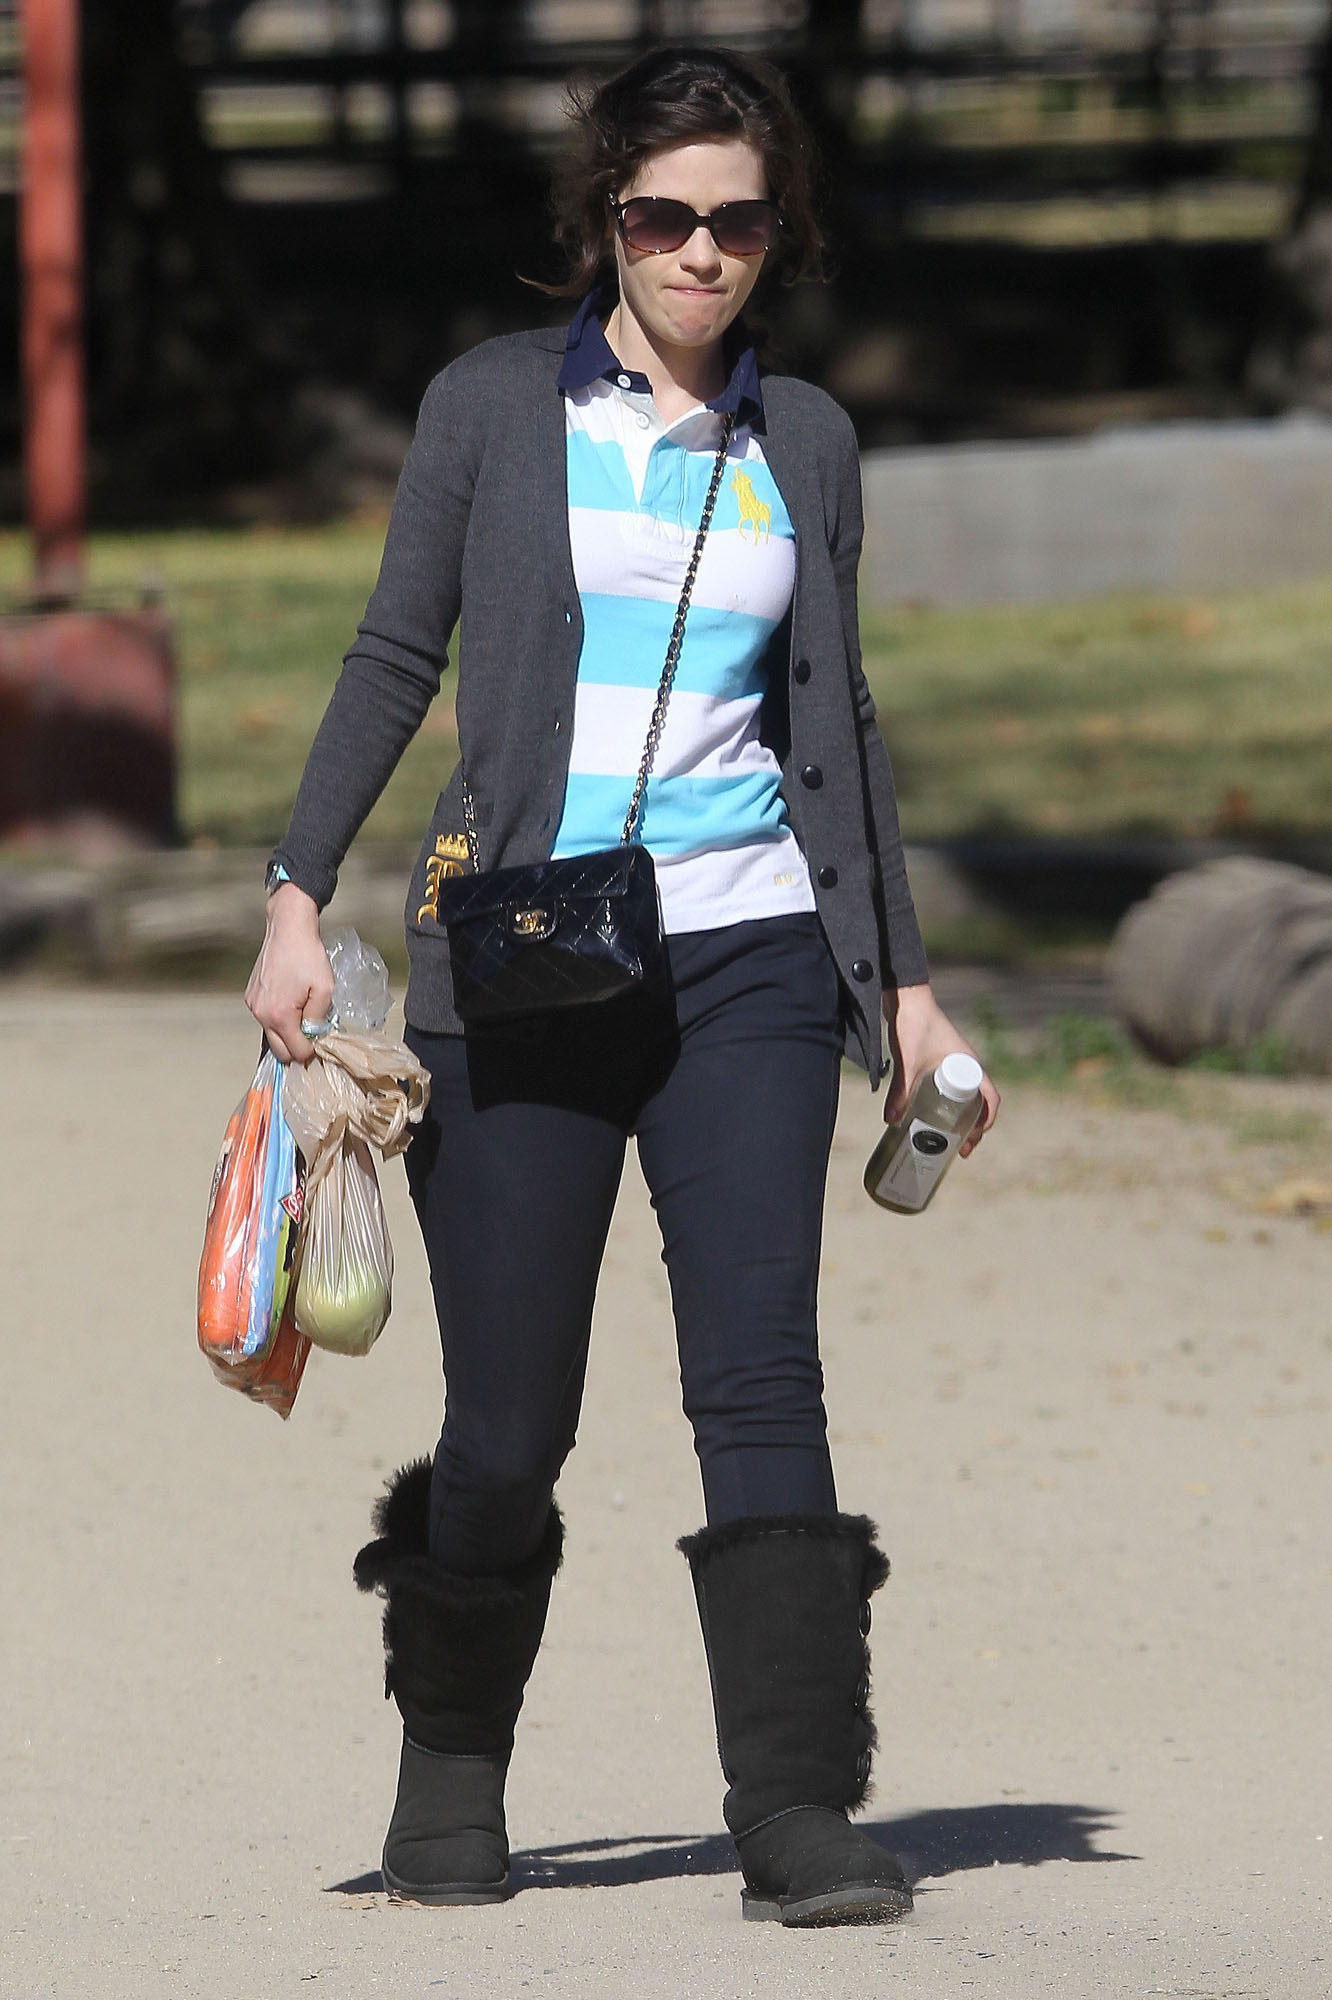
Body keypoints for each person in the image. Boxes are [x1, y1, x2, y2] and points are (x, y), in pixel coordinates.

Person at [246, 43, 999, 1928]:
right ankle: (451, 1764)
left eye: (738, 221)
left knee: (761, 1372)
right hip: (523, 958)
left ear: (778, 234)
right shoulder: (495, 408)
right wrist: (293, 892)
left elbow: (838, 725)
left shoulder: (804, 440)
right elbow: (395, 650)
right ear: (606, 219)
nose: (700, 252)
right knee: (510, 1426)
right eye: (663, 216)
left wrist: (902, 989)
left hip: (749, 959)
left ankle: (797, 1809)